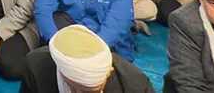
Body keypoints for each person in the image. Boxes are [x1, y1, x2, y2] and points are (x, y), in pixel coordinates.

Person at [20, 24, 152, 93]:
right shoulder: (36, 66)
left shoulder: (136, 85)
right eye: (72, 87)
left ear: (108, 72)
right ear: (59, 69)